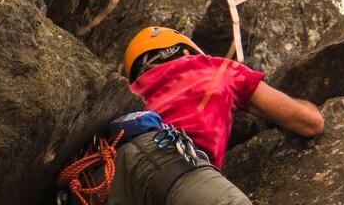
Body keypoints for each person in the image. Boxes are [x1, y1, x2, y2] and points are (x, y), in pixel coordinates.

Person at [108, 26, 324, 204]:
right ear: (186, 52)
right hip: (174, 162)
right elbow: (310, 122)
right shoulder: (212, 68)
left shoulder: (131, 92)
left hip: (111, 175)